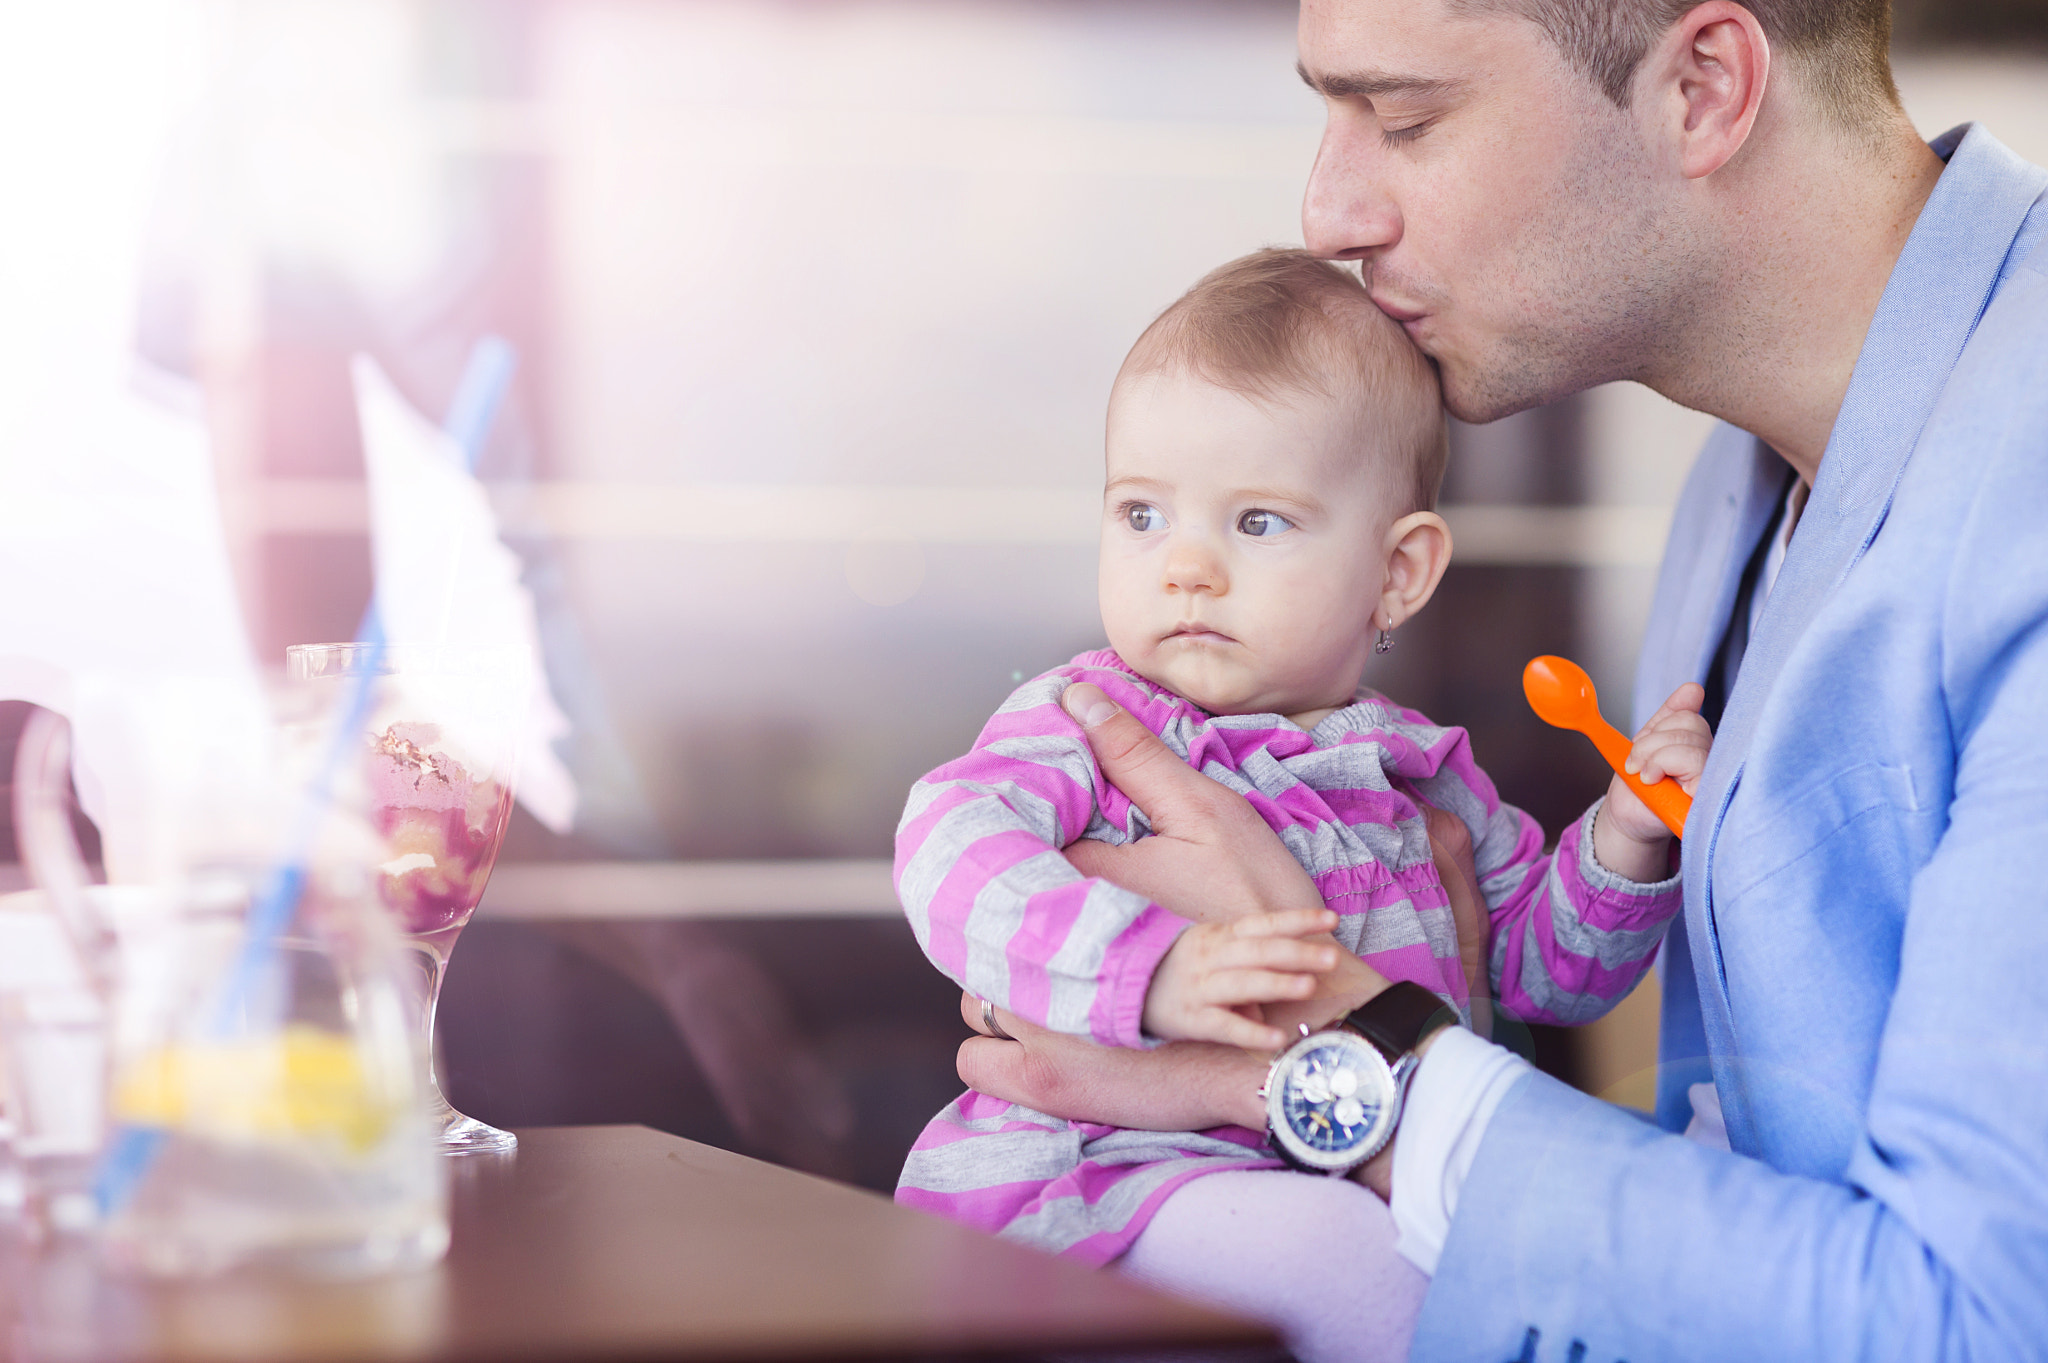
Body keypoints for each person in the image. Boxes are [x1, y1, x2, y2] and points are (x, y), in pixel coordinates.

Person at [953, 1, 2048, 1359]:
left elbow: (1983, 1324)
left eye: (1406, 119)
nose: (1328, 208)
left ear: (1703, 87)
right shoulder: (1733, 501)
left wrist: (1333, 1040)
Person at [892, 249, 1711, 1362]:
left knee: (1502, 1264)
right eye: (1140, 513)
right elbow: (946, 848)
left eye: (1257, 523)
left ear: (1398, 575)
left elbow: (1545, 976)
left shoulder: (1419, 771)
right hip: (1100, 1183)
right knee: (1375, 1277)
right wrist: (1151, 970)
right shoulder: (1084, 719)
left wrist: (1621, 841)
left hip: (1341, 1175)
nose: (1184, 566)